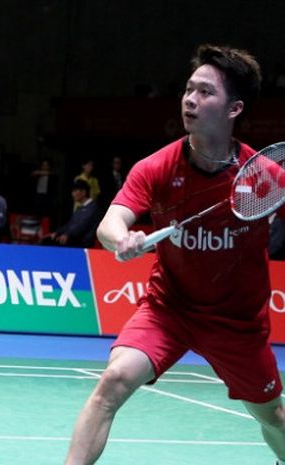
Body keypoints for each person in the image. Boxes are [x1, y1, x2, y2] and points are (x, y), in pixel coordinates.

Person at [64, 44, 285, 465]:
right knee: (113, 381)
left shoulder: (263, 176)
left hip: (237, 323)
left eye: (205, 92)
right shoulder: (157, 167)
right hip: (170, 308)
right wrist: (121, 240)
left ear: (234, 108)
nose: (190, 99)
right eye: (188, 89)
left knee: (273, 416)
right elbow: (109, 224)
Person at [42, 179, 99, 248]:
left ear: (84, 192)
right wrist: (57, 233)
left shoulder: (92, 208)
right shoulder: (80, 208)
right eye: (72, 191)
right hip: (73, 238)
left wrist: (67, 235)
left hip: (83, 243)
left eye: (75, 191)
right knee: (47, 240)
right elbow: (69, 224)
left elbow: (81, 226)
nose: (72, 194)